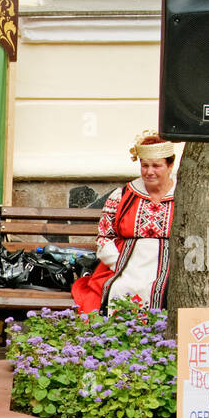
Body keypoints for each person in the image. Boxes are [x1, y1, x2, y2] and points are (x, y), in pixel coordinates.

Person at [71, 131, 176, 313]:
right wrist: (120, 264)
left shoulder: (183, 197)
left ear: (170, 165)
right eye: (144, 165)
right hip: (124, 263)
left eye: (156, 166)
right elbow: (104, 237)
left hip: (167, 266)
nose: (149, 172)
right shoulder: (123, 196)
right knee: (119, 289)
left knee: (162, 292)